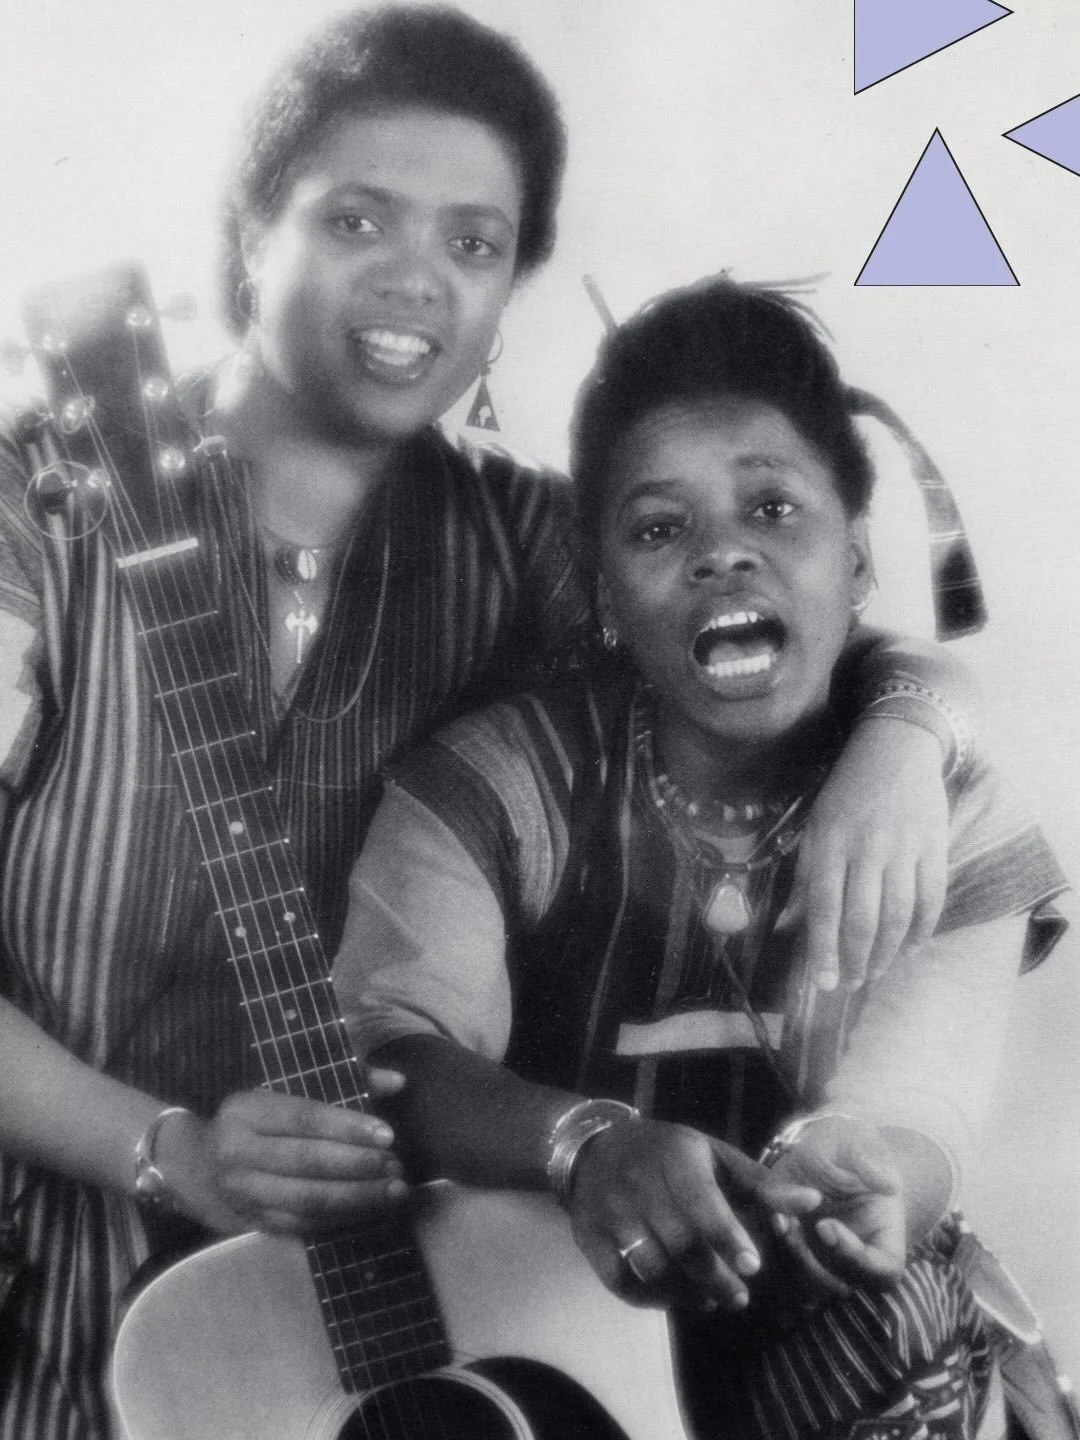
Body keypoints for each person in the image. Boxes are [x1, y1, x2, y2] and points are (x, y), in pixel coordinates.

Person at [0, 6, 983, 1437]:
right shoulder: (38, 516)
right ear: (245, 232)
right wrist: (165, 1153)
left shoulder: (528, 545)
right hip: (53, 1286)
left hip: (396, 1321)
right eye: (356, 219)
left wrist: (909, 727)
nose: (415, 281)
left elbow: (777, 633)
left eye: (473, 243)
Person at [336, 275, 1068, 1440]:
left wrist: (867, 1172)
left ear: (860, 557)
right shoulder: (492, 784)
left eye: (775, 511)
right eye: (660, 527)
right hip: (528, 1325)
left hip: (815, 1339)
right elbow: (385, 1056)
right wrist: (582, 1145)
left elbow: (923, 1106)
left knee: (904, 1316)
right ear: (606, 596)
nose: (724, 557)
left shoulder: (950, 808)